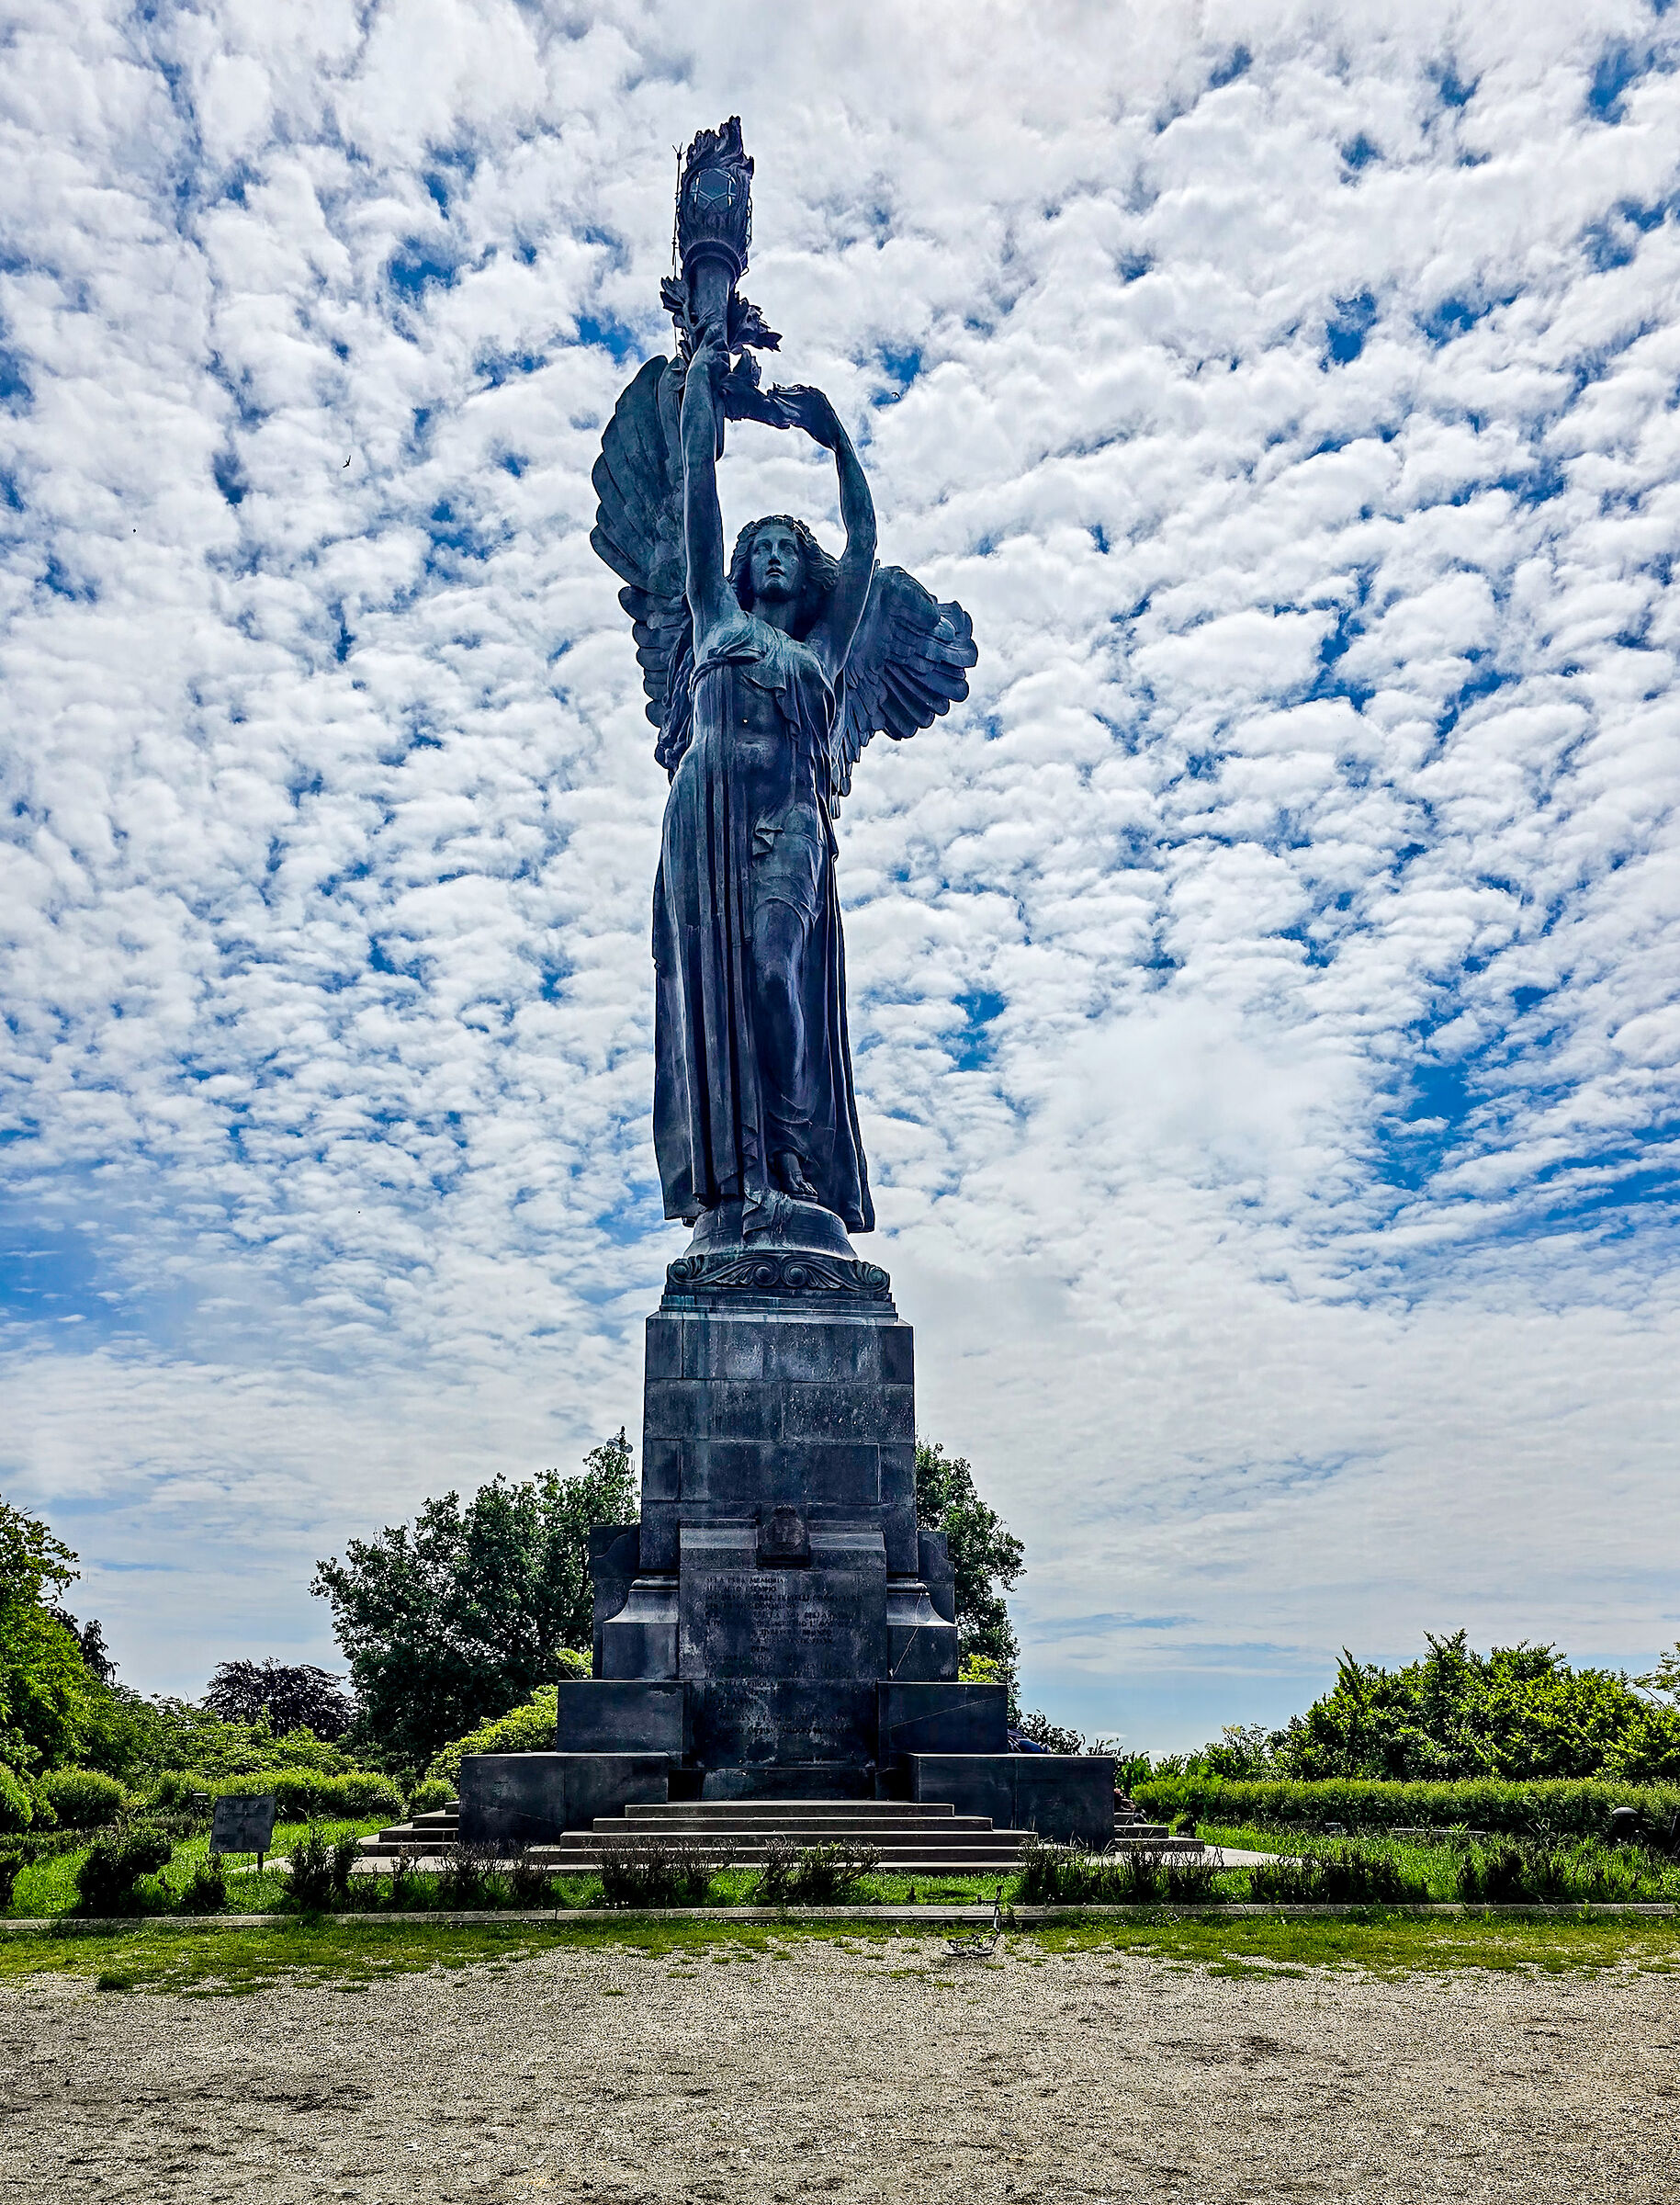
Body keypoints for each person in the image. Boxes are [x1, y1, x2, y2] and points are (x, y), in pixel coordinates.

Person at [650, 328, 879, 1234]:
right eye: (763, 546)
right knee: (719, 999)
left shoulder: (821, 647)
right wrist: (705, 385)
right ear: (740, 570)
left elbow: (862, 546)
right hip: (702, 819)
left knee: (775, 978)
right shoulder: (711, 615)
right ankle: (741, 1187)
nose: (776, 555)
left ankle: (794, 1168)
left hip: (785, 824)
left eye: (790, 544)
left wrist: (838, 447)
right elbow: (694, 496)